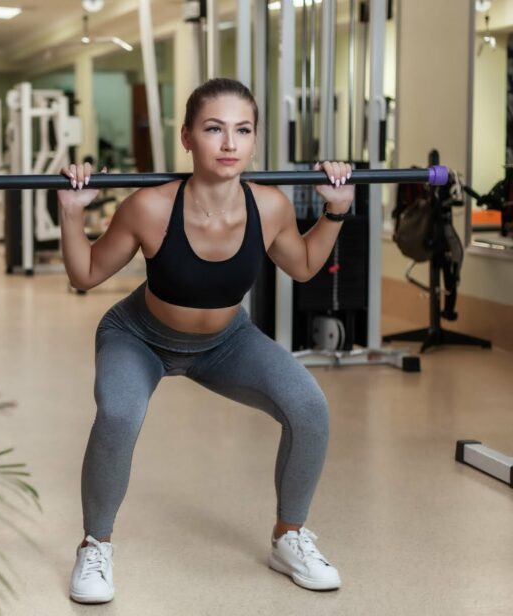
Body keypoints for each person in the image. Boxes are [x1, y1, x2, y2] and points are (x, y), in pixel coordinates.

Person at [58, 78, 353, 604]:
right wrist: (73, 214)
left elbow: (306, 267)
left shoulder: (271, 207)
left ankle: (289, 536)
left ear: (255, 141)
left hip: (225, 342)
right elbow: (85, 275)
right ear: (188, 138)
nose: (229, 144)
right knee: (120, 415)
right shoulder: (148, 206)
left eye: (242, 130)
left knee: (309, 406)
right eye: (214, 129)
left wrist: (334, 211)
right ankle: (94, 545)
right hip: (139, 337)